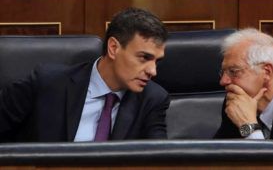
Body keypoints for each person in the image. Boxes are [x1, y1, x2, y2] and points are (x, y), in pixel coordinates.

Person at [0, 7, 169, 142]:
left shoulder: (152, 100)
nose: (152, 71)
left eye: (157, 61)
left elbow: (160, 160)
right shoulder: (47, 83)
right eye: (144, 58)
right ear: (113, 48)